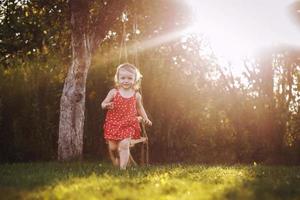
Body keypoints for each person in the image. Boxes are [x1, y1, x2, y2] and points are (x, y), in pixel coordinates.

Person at [101, 63, 152, 169]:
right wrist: (107, 105)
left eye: (129, 78)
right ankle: (118, 162)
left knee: (124, 145)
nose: (126, 80)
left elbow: (139, 108)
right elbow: (103, 104)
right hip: (113, 123)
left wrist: (146, 118)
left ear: (135, 80)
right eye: (123, 78)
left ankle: (122, 170)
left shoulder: (136, 95)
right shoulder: (114, 92)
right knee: (113, 148)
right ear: (118, 79)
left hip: (129, 123)